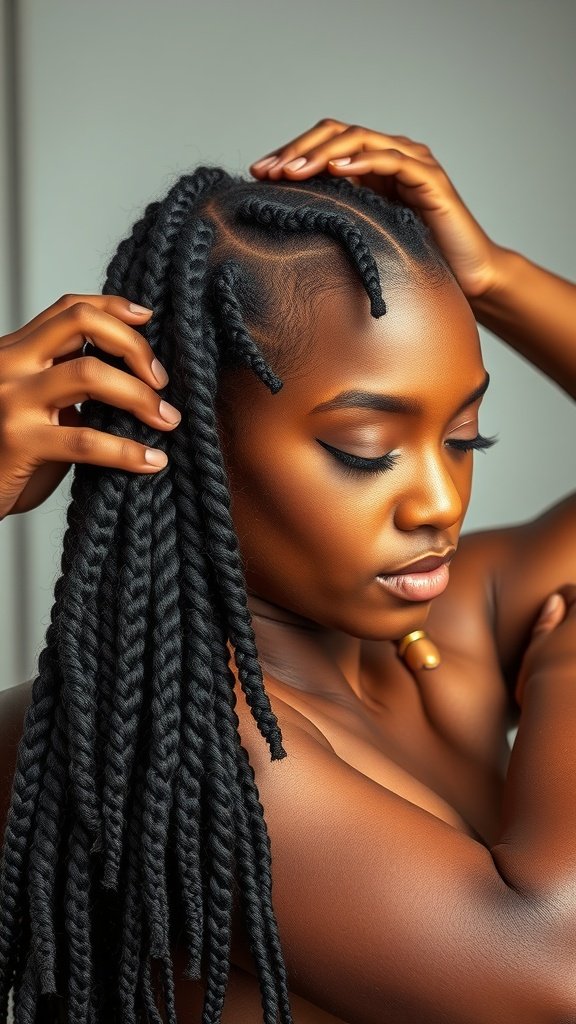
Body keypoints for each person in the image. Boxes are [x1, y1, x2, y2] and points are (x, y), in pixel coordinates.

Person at [0, 117, 575, 1024]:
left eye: (466, 436)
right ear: (188, 437)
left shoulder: (457, 615)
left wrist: (493, 276)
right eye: (365, 448)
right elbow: (555, 971)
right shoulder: (170, 742)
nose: (440, 501)